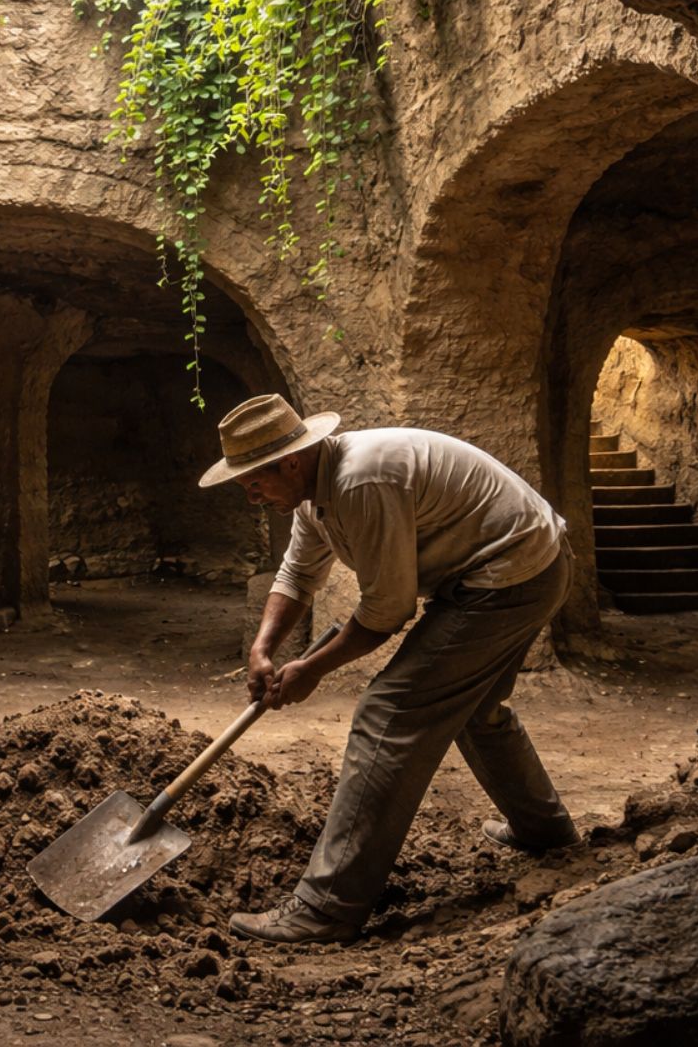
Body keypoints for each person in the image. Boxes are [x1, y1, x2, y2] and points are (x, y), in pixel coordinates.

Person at [198, 394, 580, 944]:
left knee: (389, 712)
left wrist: (312, 668)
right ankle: (545, 831)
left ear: (290, 462)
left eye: (254, 482)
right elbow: (297, 575)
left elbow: (387, 612)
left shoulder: (361, 482)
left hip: (512, 573)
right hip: (513, 566)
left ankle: (327, 907)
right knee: (475, 709)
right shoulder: (313, 497)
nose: (251, 495)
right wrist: (263, 649)